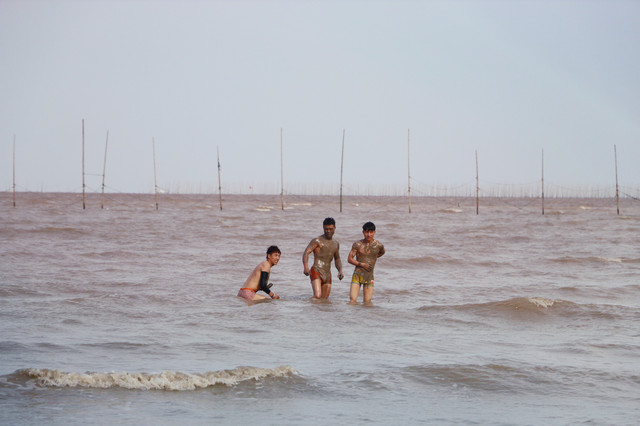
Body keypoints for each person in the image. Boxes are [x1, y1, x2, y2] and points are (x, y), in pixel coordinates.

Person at [302, 217, 344, 299]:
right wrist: (306, 267)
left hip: (327, 274)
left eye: (330, 229)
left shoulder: (336, 243)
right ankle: (306, 305)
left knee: (324, 300)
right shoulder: (317, 241)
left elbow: (337, 259)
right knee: (317, 296)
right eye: (326, 229)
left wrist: (340, 271)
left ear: (334, 228)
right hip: (316, 270)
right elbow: (306, 252)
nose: (328, 231)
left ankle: (311, 306)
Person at [347, 221, 385, 304]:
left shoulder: (378, 245)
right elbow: (349, 259)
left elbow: (382, 252)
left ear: (374, 232)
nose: (368, 235)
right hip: (357, 275)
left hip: (369, 276)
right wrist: (362, 264)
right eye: (366, 232)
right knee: (352, 301)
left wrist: (373, 258)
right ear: (363, 232)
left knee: (367, 303)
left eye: (371, 232)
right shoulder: (357, 244)